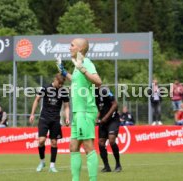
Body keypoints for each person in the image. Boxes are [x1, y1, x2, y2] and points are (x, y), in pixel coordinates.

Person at [57, 38, 102, 181]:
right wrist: (64, 72)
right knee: (73, 146)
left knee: (88, 146)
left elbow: (98, 81)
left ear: (80, 49)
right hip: (78, 111)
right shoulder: (77, 65)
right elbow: (77, 80)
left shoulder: (86, 63)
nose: (69, 48)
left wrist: (83, 68)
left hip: (85, 111)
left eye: (72, 45)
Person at [29, 73, 70, 173]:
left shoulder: (63, 91)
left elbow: (66, 106)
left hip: (56, 119)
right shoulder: (45, 88)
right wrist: (32, 114)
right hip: (44, 118)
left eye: (62, 84)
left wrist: (67, 118)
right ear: (55, 80)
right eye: (59, 83)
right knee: (41, 141)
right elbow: (37, 100)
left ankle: (52, 166)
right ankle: (42, 161)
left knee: (54, 142)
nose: (60, 85)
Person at [95, 87, 122, 172]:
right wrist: (97, 118)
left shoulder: (105, 90)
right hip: (103, 122)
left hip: (113, 120)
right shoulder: (94, 95)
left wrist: (106, 117)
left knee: (111, 140)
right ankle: (107, 167)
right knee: (101, 142)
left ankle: (118, 165)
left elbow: (115, 104)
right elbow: (100, 109)